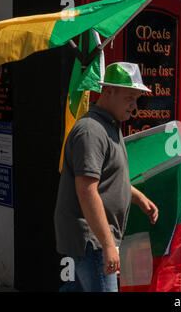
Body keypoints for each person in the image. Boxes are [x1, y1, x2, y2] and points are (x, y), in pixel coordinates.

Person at [54, 62, 159, 292]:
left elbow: (107, 180)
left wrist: (138, 197)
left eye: (137, 98)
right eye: (130, 97)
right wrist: (108, 244)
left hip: (91, 241)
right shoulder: (91, 130)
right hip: (90, 242)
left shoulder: (109, 125)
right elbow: (87, 190)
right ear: (108, 91)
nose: (134, 105)